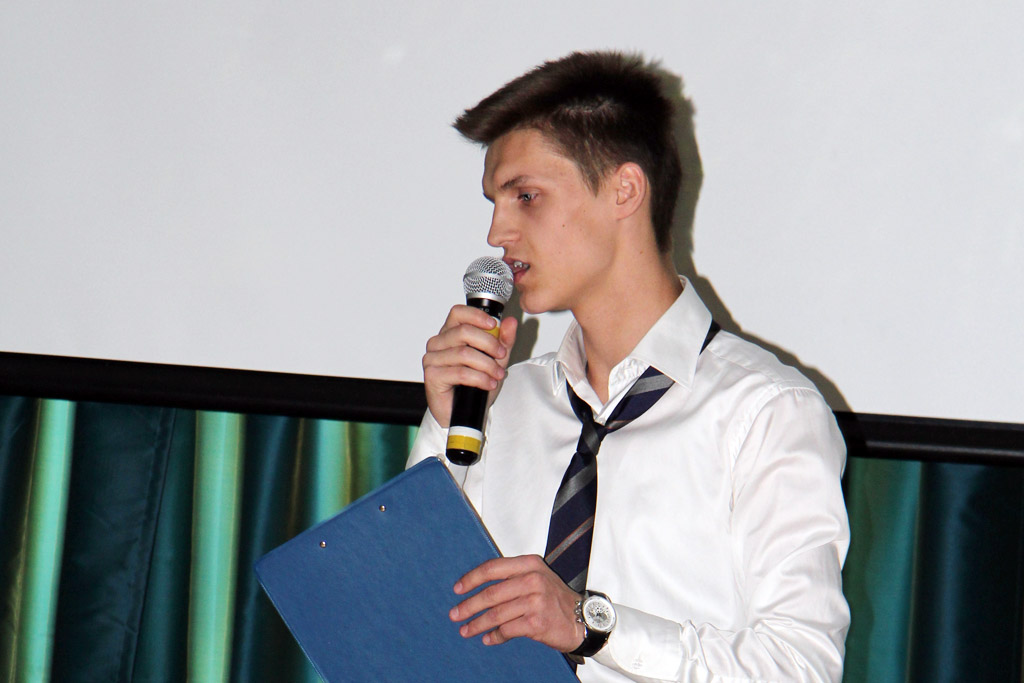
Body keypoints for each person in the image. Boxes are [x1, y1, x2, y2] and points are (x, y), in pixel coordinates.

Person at [406, 51, 850, 682]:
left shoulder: (765, 412)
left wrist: (589, 625)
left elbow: (800, 668)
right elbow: (416, 615)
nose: (497, 232)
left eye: (525, 196)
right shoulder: (502, 404)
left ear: (625, 190)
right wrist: (446, 427)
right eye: (494, 202)